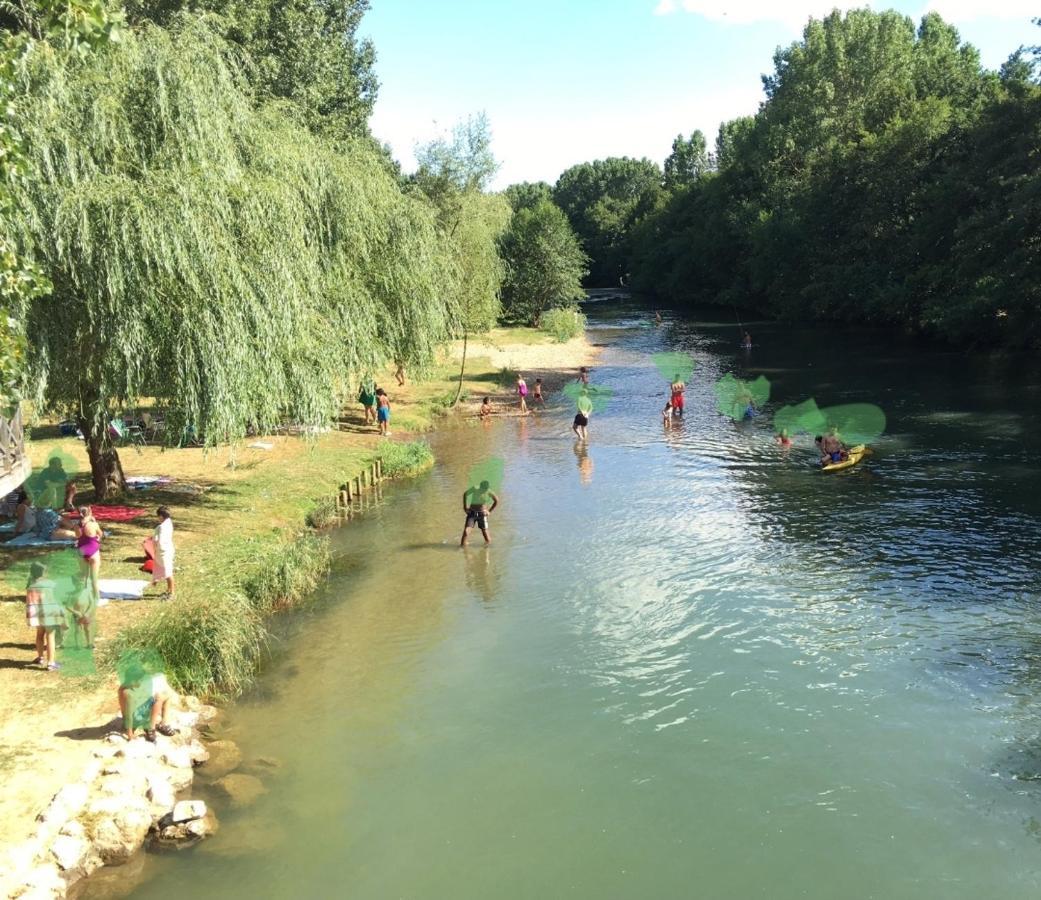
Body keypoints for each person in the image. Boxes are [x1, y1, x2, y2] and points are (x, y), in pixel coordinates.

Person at [118, 659, 179, 742]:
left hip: (136, 714)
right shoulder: (128, 693)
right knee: (159, 698)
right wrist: (130, 735)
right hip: (135, 719)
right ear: (133, 680)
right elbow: (128, 714)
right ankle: (151, 728)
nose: (141, 682)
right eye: (140, 680)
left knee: (166, 695)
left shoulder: (126, 686)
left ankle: (162, 723)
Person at [26, 562, 64, 670]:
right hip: (49, 614)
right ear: (44, 572)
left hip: (37, 615)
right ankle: (51, 663)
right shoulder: (51, 584)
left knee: (39, 635)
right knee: (50, 636)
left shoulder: (30, 584)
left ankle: (40, 657)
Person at [76, 506, 102, 605]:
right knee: (94, 578)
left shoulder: (77, 526)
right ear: (90, 512)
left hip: (81, 552)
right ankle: (96, 599)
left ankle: (83, 598)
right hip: (93, 552)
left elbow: (78, 536)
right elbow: (100, 534)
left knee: (83, 577)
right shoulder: (93, 524)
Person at [460, 480, 499, 547]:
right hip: (472, 513)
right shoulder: (475, 488)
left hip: (482, 515)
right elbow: (465, 494)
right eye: (482, 489)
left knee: (486, 535)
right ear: (480, 487)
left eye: (485, 489)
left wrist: (489, 511)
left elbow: (496, 501)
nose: (484, 491)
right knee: (466, 532)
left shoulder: (489, 492)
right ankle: (462, 548)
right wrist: (465, 507)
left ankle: (487, 550)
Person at [152, 506, 176, 601]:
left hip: (164, 551)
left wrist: (158, 548)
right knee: (164, 570)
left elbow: (161, 541)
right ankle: (169, 589)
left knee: (168, 572)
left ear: (161, 516)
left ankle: (172, 593)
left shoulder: (162, 527)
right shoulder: (168, 522)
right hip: (167, 549)